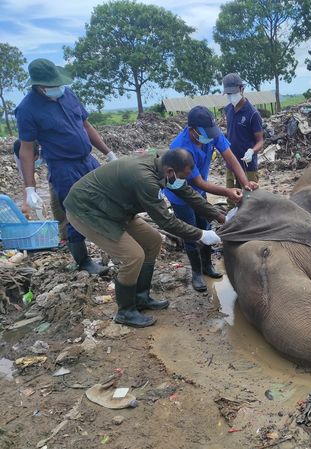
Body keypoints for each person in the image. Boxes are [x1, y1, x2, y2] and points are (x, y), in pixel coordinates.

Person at [64, 149, 225, 328]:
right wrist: (201, 234)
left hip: (114, 207)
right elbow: (167, 221)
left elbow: (187, 192)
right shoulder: (145, 179)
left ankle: (141, 297)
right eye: (182, 176)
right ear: (170, 171)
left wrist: (218, 215)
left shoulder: (162, 165)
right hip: (87, 211)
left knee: (153, 241)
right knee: (133, 255)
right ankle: (125, 311)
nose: (183, 181)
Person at [15, 58, 117, 275]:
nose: (57, 89)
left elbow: (86, 125)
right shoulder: (27, 109)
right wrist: (29, 188)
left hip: (88, 160)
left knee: (109, 197)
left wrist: (108, 153)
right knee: (74, 213)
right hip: (63, 167)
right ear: (39, 86)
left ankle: (117, 247)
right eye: (52, 86)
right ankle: (83, 261)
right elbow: (26, 149)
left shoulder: (68, 94)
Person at [165, 106, 258, 292]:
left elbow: (231, 158)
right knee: (190, 232)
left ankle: (207, 265)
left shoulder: (212, 134)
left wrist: (245, 183)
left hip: (200, 191)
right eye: (205, 133)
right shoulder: (180, 147)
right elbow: (197, 182)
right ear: (192, 130)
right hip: (180, 194)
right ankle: (197, 273)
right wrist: (227, 192)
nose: (210, 136)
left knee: (205, 226)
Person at [222, 73, 265, 209]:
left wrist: (252, 151)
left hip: (248, 165)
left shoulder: (252, 114)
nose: (231, 97)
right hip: (231, 163)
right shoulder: (228, 109)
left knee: (249, 198)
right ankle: (230, 222)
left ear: (241, 89)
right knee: (231, 197)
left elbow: (260, 141)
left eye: (233, 93)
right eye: (228, 94)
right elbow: (230, 132)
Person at [13, 139, 68, 245]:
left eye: (32, 159)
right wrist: (27, 203)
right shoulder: (21, 156)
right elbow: (27, 180)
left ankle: (73, 233)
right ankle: (64, 236)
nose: (30, 162)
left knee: (59, 198)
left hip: (59, 166)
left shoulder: (49, 147)